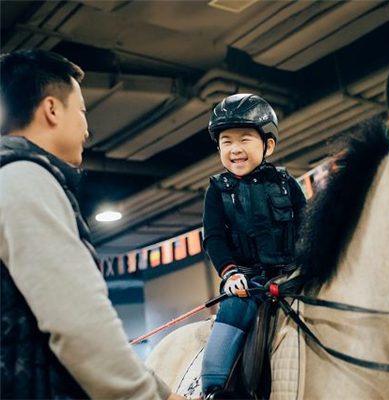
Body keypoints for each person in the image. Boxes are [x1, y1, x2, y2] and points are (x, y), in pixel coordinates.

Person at [0, 49, 189, 400]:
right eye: (82, 111)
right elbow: (79, 325)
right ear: (52, 109)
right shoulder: (25, 179)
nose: (86, 127)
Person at [201, 94, 307, 399]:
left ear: (268, 145)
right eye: (226, 141)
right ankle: (213, 390)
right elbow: (214, 238)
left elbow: (308, 228)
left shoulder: (287, 183)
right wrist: (231, 274)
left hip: (293, 278)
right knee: (231, 316)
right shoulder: (216, 191)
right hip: (248, 285)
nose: (235, 149)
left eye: (245, 139)